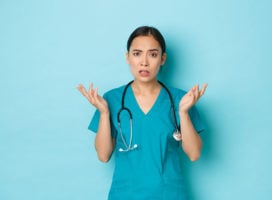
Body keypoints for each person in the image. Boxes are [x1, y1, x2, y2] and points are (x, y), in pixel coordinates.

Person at [77, 26, 208, 200]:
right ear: (127, 57)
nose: (144, 62)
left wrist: (183, 113)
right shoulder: (112, 99)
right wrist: (103, 113)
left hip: (169, 194)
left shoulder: (181, 99)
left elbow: (194, 154)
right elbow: (103, 155)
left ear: (162, 59)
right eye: (137, 53)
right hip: (125, 194)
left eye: (153, 54)